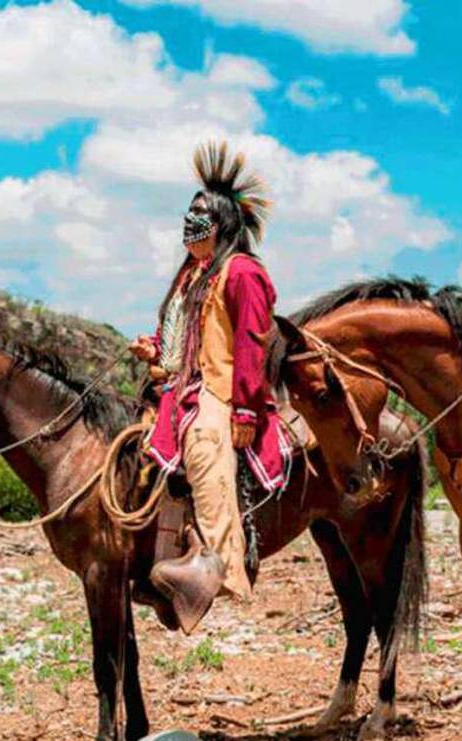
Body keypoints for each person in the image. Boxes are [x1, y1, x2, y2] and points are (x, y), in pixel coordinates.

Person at [129, 141, 292, 632]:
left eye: (199, 214)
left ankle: (221, 567)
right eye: (188, 211)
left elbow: (251, 343)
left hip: (220, 391)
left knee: (203, 445)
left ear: (219, 224)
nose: (189, 220)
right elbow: (176, 332)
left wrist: (245, 410)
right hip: (176, 386)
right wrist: (154, 350)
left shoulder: (241, 272)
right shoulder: (191, 273)